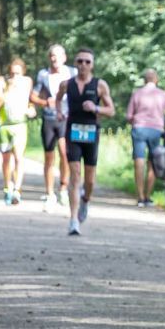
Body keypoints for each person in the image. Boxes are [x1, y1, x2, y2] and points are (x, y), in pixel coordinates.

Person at [60, 49, 115, 237]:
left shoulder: (100, 85)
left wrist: (96, 108)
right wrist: (59, 112)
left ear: (92, 64)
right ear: (75, 63)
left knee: (89, 180)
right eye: (80, 61)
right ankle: (73, 220)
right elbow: (57, 99)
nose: (83, 65)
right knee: (75, 175)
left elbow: (111, 110)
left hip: (91, 133)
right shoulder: (67, 84)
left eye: (87, 62)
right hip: (73, 132)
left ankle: (85, 200)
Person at [126, 69, 165, 206]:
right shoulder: (162, 95)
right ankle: (148, 196)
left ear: (144, 80)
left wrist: (135, 121)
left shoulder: (137, 93)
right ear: (156, 80)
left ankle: (140, 197)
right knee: (153, 161)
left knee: (139, 161)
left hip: (139, 129)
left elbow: (129, 116)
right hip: (156, 130)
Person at [33, 44, 71, 212]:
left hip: (67, 118)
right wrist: (44, 102)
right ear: (49, 58)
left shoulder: (72, 73)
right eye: (52, 56)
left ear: (64, 57)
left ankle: (63, 188)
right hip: (49, 118)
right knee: (49, 157)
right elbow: (33, 96)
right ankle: (49, 193)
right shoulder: (43, 74)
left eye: (58, 55)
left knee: (65, 153)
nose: (55, 59)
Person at [0, 57, 36, 204]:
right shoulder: (1, 82)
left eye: (18, 74)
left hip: (20, 125)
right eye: (12, 74)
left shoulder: (27, 82)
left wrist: (31, 109)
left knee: (19, 157)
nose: (15, 77)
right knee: (6, 159)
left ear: (23, 72)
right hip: (4, 126)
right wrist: (7, 90)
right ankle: (7, 187)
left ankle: (17, 190)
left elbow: (31, 99)